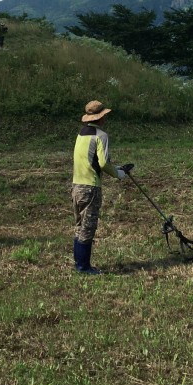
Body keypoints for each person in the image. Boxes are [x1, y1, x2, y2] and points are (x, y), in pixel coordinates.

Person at [71, 100, 128, 275]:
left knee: (79, 225)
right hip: (91, 187)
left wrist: (116, 167)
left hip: (76, 185)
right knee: (88, 227)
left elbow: (91, 160)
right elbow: (103, 163)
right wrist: (119, 174)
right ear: (101, 117)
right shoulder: (101, 135)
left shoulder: (81, 133)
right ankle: (84, 267)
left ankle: (79, 263)